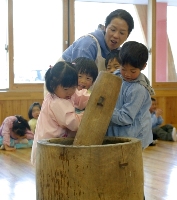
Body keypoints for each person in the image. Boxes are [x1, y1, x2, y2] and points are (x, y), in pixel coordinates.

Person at [31, 61, 90, 165]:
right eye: (66, 89)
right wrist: (86, 115)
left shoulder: (65, 93)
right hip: (49, 145)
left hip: (57, 143)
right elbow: (73, 123)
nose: (70, 92)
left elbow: (79, 97)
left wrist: (91, 99)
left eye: (74, 87)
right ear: (53, 86)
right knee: (52, 171)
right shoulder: (56, 102)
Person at [106, 41, 154, 149]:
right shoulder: (117, 76)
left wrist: (105, 111)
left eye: (133, 71)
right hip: (118, 131)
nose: (127, 74)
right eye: (123, 69)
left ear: (143, 66)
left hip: (134, 136)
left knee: (128, 163)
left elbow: (126, 117)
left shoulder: (138, 89)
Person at [59, 9, 134, 71]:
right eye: (113, 30)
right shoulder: (88, 44)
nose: (116, 36)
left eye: (121, 33)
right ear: (105, 28)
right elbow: (80, 81)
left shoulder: (120, 52)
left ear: (127, 36)